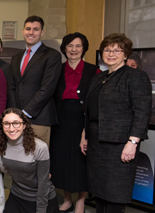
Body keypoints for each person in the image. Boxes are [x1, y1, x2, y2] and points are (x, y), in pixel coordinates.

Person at [82, 33, 151, 212]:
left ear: (126, 54)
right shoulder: (99, 77)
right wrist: (85, 135)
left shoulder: (135, 76)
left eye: (117, 50)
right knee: (99, 192)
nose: (111, 54)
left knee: (115, 194)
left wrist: (133, 143)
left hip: (120, 145)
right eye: (107, 50)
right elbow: (90, 111)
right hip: (97, 143)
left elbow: (142, 112)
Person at [49, 33, 100, 213]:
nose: (74, 50)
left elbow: (97, 100)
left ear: (83, 49)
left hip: (83, 121)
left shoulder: (94, 71)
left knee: (81, 161)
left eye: (78, 46)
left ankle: (81, 201)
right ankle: (68, 199)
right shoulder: (57, 69)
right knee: (62, 160)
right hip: (61, 121)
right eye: (70, 46)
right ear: (64, 48)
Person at [9, 15, 62, 145]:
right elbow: (12, 86)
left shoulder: (52, 55)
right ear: (23, 31)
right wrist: (15, 114)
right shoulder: (16, 57)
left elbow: (48, 88)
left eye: (36, 29)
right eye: (28, 29)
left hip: (39, 118)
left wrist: (26, 113)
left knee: (37, 160)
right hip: (16, 121)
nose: (31, 32)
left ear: (42, 32)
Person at [0, 108, 57, 213]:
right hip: (16, 196)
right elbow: (5, 168)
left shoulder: (40, 147)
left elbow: (43, 183)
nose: (11, 128)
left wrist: (41, 210)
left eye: (16, 123)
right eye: (6, 124)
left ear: (24, 125)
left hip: (40, 199)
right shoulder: (1, 145)